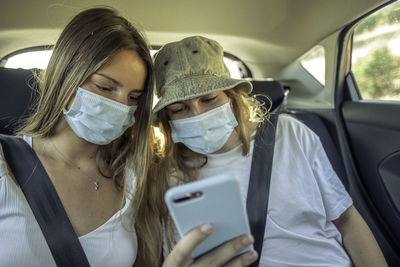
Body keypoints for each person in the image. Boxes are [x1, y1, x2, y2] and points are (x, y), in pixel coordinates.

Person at [0, 8, 255, 267]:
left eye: (133, 98)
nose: (121, 106)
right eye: (104, 87)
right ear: (65, 76)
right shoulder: (5, 164)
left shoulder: (136, 173)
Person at [151, 35, 388, 267]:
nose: (198, 114)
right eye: (179, 108)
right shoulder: (166, 178)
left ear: (232, 98)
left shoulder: (290, 133)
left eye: (209, 99)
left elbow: (346, 219)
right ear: (167, 119)